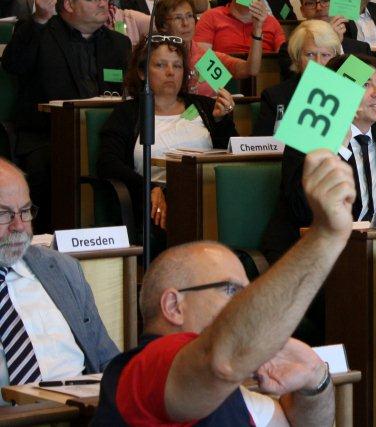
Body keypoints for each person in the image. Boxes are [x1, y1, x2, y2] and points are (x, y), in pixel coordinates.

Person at [93, 149, 356, 424]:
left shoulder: (236, 392)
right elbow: (220, 361)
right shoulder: (144, 370)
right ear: (174, 306)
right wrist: (325, 236)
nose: (244, 304)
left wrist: (314, 377)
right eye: (232, 291)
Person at [1, 0, 131, 231]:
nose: (103, 4)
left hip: (104, 136)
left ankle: (123, 236)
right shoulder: (41, 32)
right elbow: (14, 64)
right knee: (49, 169)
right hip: (47, 136)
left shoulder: (119, 44)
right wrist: (39, 18)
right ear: (69, 4)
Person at [262, 54, 376, 263]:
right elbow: (302, 210)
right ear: (340, 92)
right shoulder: (308, 139)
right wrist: (338, 146)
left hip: (374, 252)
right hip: (313, 251)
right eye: (366, 85)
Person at [0, 158, 119, 402]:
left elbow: (106, 359)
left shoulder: (63, 269)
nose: (19, 226)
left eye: (25, 211)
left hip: (81, 411)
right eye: (4, 214)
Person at [97, 39, 237, 244]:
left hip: (206, 194)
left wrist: (222, 121)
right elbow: (108, 163)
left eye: (177, 66)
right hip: (151, 199)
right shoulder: (127, 114)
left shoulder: (207, 107)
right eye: (160, 65)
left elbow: (231, 155)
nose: (171, 72)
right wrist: (149, 188)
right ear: (142, 73)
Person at [254, 20, 376, 136]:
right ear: (296, 57)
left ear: (336, 57)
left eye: (325, 55)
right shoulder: (275, 96)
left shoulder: (349, 83)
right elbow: (263, 144)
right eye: (310, 54)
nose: (318, 63)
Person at [154, 0, 263, 97]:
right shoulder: (154, 60)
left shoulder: (206, 59)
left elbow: (250, 70)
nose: (185, 23)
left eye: (189, 16)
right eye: (178, 18)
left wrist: (257, 30)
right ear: (163, 25)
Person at [278, 0, 371, 78]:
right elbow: (305, 84)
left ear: (338, 4)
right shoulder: (289, 49)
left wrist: (337, 46)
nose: (319, 8)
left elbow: (362, 84)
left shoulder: (361, 49)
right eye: (310, 3)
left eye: (326, 1)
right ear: (302, 11)